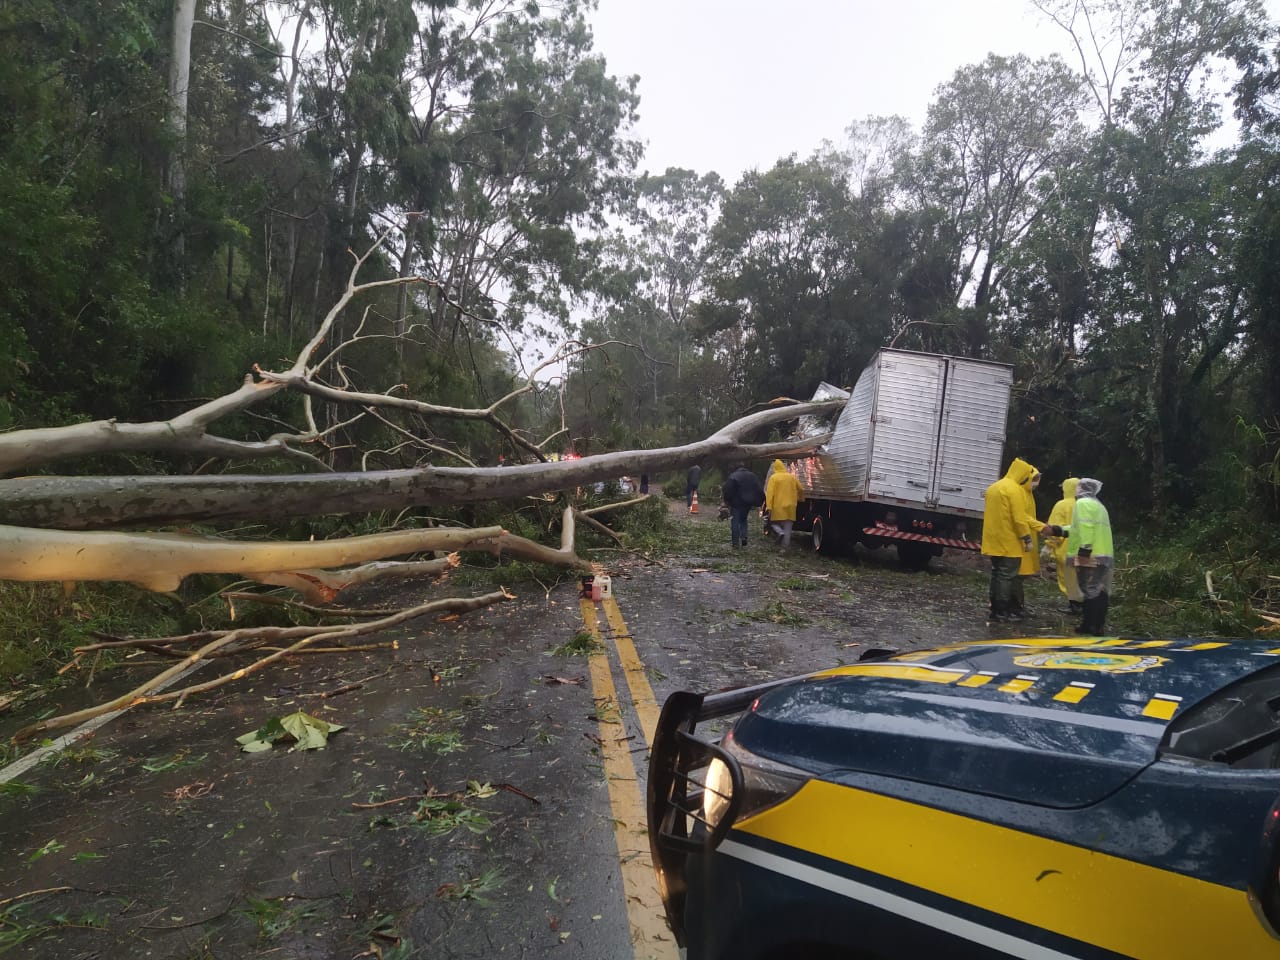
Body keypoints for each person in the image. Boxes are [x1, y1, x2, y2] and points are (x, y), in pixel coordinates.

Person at [981, 457, 1051, 622]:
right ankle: (1002, 611)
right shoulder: (1015, 490)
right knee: (1007, 576)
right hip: (1010, 542)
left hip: (993, 540)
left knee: (996, 574)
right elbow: (1018, 519)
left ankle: (995, 608)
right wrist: (1026, 539)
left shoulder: (994, 487)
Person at [1064, 477, 1114, 636]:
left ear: (1083, 489)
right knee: (1098, 589)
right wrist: (1057, 530)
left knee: (1090, 590)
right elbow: (1077, 529)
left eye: (1078, 486)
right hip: (1103, 554)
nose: (1076, 489)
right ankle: (1095, 624)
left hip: (1091, 555)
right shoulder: (1099, 505)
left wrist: (1084, 551)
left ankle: (1092, 626)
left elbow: (1086, 527)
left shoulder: (1083, 504)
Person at [1047, 477, 1083, 615]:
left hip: (1066, 548)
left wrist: (1049, 545)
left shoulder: (1061, 505)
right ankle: (1081, 603)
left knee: (1066, 577)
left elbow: (1054, 528)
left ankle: (1074, 606)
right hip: (1083, 548)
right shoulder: (1084, 505)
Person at [764, 460, 805, 550]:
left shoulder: (774, 478)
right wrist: (801, 499)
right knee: (788, 528)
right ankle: (785, 548)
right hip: (791, 507)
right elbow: (801, 489)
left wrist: (769, 507)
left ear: (775, 468)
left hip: (778, 506)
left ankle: (779, 532)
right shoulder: (792, 477)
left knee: (773, 523)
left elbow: (770, 494)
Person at [722, 463, 765, 548]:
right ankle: (744, 537)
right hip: (747, 503)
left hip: (736, 503)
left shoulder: (733, 476)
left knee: (735, 521)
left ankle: (735, 543)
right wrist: (760, 500)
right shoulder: (752, 476)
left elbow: (728, 489)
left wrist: (726, 500)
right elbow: (759, 488)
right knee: (743, 519)